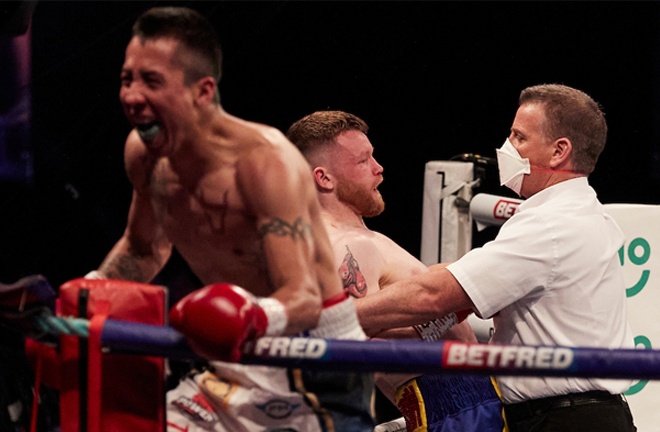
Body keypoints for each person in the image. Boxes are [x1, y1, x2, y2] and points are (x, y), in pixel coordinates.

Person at [87, 7, 374, 432]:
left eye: (151, 82)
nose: (131, 96)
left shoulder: (264, 162)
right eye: (127, 79)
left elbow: (303, 297)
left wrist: (248, 317)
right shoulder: (145, 155)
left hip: (312, 355)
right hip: (229, 354)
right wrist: (87, 296)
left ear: (202, 91)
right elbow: (144, 248)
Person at [354, 84, 637, 431]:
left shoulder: (551, 224)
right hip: (576, 415)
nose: (507, 148)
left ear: (559, 151)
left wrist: (329, 319)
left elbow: (435, 295)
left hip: (564, 419)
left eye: (519, 137)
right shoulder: (583, 213)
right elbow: (452, 304)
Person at [286, 110, 504, 431]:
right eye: (363, 162)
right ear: (324, 178)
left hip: (464, 401)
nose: (379, 168)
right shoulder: (347, 246)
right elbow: (354, 355)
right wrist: (443, 311)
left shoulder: (362, 240)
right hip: (451, 405)